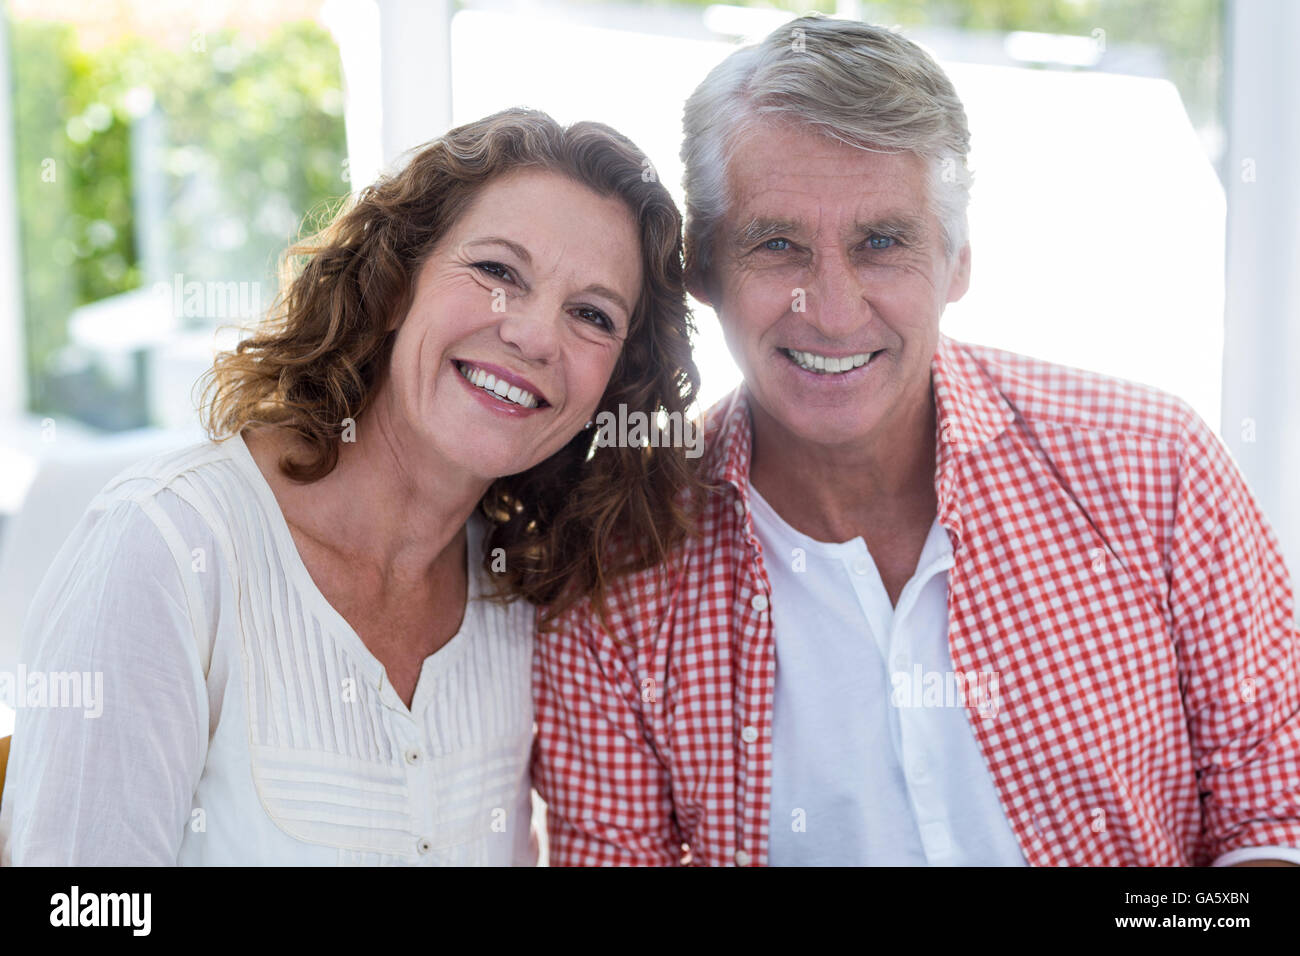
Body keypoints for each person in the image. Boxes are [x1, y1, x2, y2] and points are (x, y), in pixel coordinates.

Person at [532, 15, 1300, 866]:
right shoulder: (617, 575)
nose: (830, 309)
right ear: (703, 271)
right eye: (777, 244)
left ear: (958, 259)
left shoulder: (1156, 467)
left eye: (882, 242)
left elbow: (1274, 819)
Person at [0, 107, 703, 865]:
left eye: (592, 315)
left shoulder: (523, 596)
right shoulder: (166, 550)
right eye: (498, 271)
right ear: (396, 281)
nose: (534, 335)